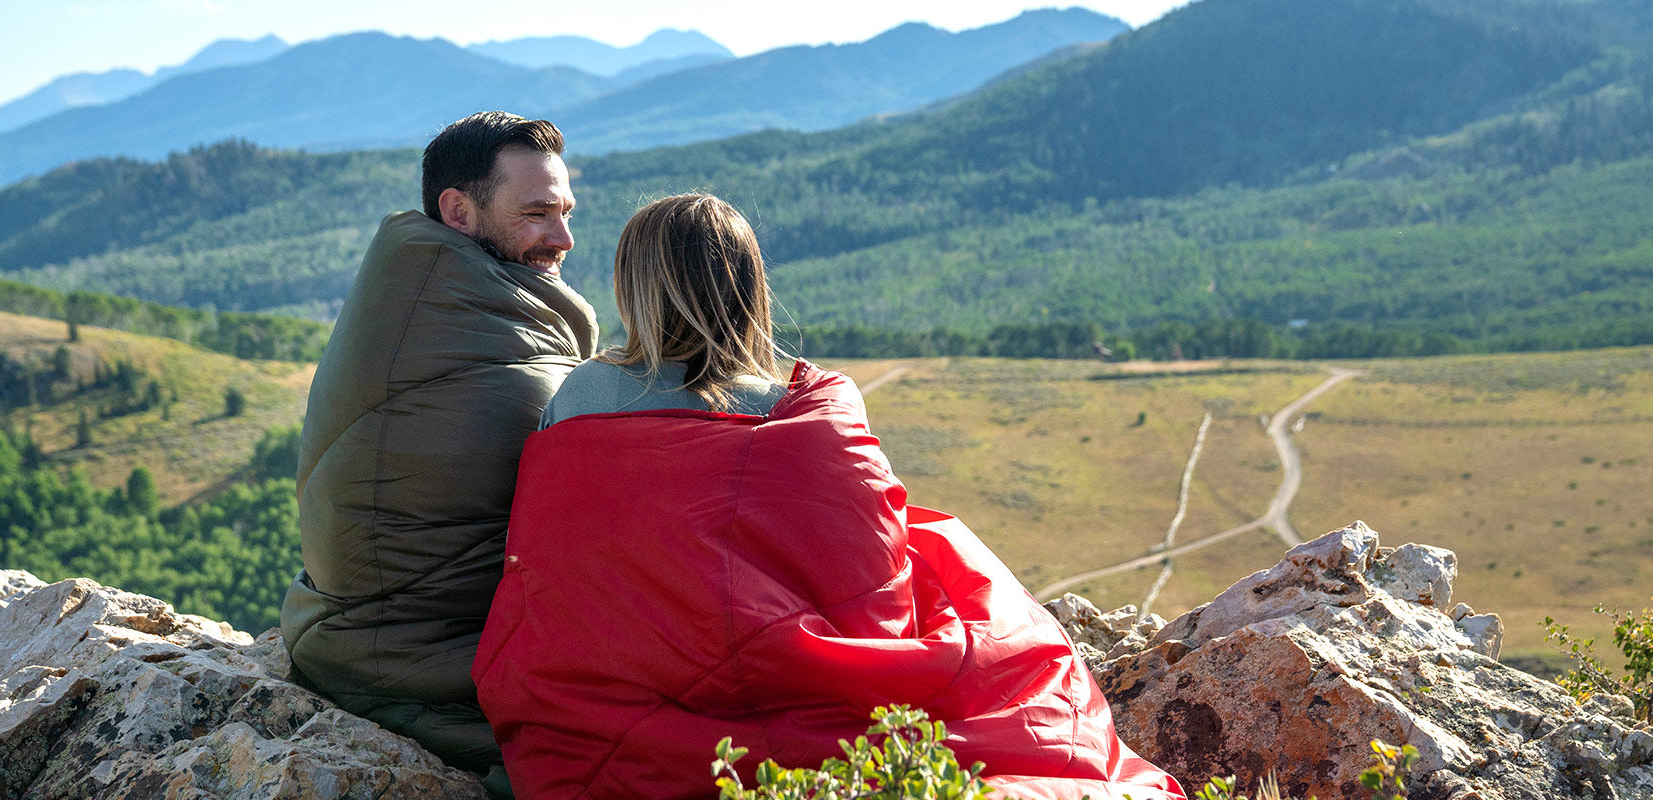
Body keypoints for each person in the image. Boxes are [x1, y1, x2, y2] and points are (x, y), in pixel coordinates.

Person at [472, 194, 1183, 800]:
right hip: (808, 703)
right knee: (940, 552)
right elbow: (874, 590)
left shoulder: (579, 399)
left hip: (601, 721)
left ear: (635, 286)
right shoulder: (814, 407)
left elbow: (553, 570)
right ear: (749, 284)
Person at [281, 111, 598, 795]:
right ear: (458, 210)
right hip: (412, 667)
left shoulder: (423, 291)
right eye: (537, 213)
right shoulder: (463, 330)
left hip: (355, 636)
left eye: (566, 212)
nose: (563, 238)